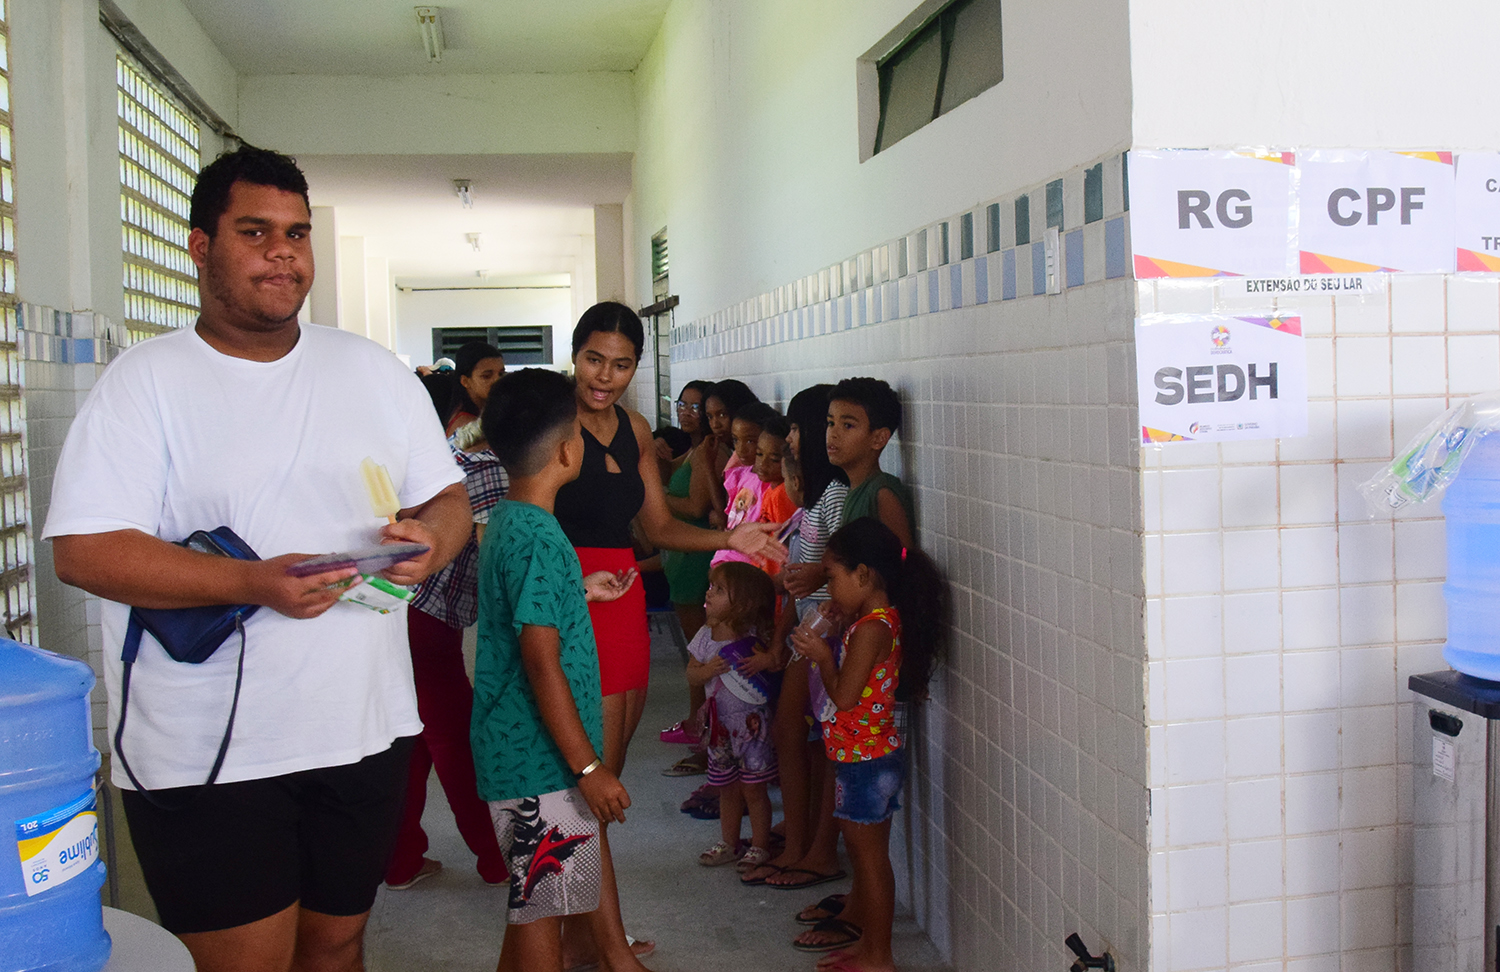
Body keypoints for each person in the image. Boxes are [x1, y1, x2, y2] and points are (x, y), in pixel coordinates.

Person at [43, 145, 473, 972]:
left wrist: (434, 544)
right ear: (201, 246)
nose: (284, 251)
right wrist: (250, 582)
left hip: (361, 727)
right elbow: (84, 551)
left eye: (298, 233)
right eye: (255, 231)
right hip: (208, 748)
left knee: (338, 945)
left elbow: (445, 501)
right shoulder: (147, 383)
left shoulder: (373, 372)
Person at [549, 302, 785, 969]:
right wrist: (564, 585)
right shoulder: (549, 418)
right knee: (579, 788)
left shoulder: (633, 426)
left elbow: (656, 526)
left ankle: (581, 941)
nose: (606, 375)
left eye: (622, 363)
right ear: (575, 354)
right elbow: (519, 518)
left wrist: (728, 536)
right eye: (594, 358)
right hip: (571, 599)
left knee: (606, 781)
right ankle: (599, 948)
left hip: (620, 601)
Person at [471, 368, 639, 972]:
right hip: (539, 760)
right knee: (544, 913)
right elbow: (542, 664)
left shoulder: (510, 520)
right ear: (568, 449)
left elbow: (524, 612)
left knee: (532, 904)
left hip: (514, 751)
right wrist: (589, 767)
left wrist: (577, 590)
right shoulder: (542, 536)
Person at [789, 520, 944, 969]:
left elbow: (845, 697)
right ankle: (871, 945)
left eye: (833, 577)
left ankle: (878, 955)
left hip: (866, 760)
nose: (829, 590)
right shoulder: (875, 621)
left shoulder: (872, 630)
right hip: (866, 756)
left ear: (863, 575)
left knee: (871, 859)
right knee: (866, 854)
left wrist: (820, 655)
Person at [384, 379, 510, 891]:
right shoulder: (493, 476)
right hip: (424, 617)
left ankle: (400, 859)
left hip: (400, 611)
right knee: (457, 737)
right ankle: (498, 857)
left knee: (414, 737)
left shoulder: (450, 455)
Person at [759, 384, 850, 891]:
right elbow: (802, 572)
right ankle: (801, 845)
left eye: (795, 428)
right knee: (800, 741)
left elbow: (835, 574)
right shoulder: (816, 498)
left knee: (796, 736)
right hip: (805, 635)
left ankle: (814, 851)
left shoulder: (836, 497)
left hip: (824, 637)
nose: (790, 439)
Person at [684, 562, 779, 873]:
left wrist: (765, 660)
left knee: (754, 787)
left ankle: (760, 845)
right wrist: (707, 670)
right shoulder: (704, 636)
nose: (709, 592)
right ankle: (729, 842)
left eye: (719, 589)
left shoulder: (755, 635)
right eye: (711, 586)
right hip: (720, 728)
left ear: (745, 603)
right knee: (726, 786)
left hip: (753, 727)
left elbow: (779, 661)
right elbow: (692, 675)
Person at [826, 378, 914, 547]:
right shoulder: (855, 489)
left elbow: (904, 561)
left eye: (848, 425)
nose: (833, 433)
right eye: (831, 423)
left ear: (878, 438)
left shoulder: (882, 494)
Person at [712, 406, 788, 570]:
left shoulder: (771, 483)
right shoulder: (739, 474)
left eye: (750, 441)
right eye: (736, 440)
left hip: (750, 561)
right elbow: (731, 518)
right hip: (727, 553)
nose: (741, 448)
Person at [691, 379, 759, 526]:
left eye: (722, 415)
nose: (715, 424)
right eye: (710, 417)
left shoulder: (744, 456)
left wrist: (708, 465)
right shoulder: (726, 449)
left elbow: (724, 518)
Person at [445, 342, 506, 436]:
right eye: (486, 376)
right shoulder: (467, 425)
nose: (497, 380)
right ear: (465, 381)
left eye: (501, 374)